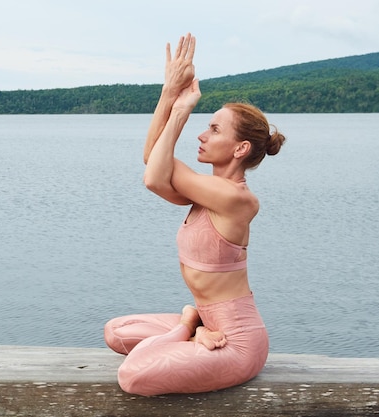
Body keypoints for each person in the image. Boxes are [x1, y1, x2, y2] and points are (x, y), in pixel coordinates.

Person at [103, 33, 286, 396]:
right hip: (209, 321)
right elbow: (153, 165)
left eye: (214, 129)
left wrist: (182, 110)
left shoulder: (238, 201)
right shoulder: (201, 196)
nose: (202, 135)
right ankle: (194, 324)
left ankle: (188, 328)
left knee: (133, 376)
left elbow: (154, 171)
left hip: (237, 343)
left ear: (240, 148)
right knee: (116, 332)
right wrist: (169, 93)